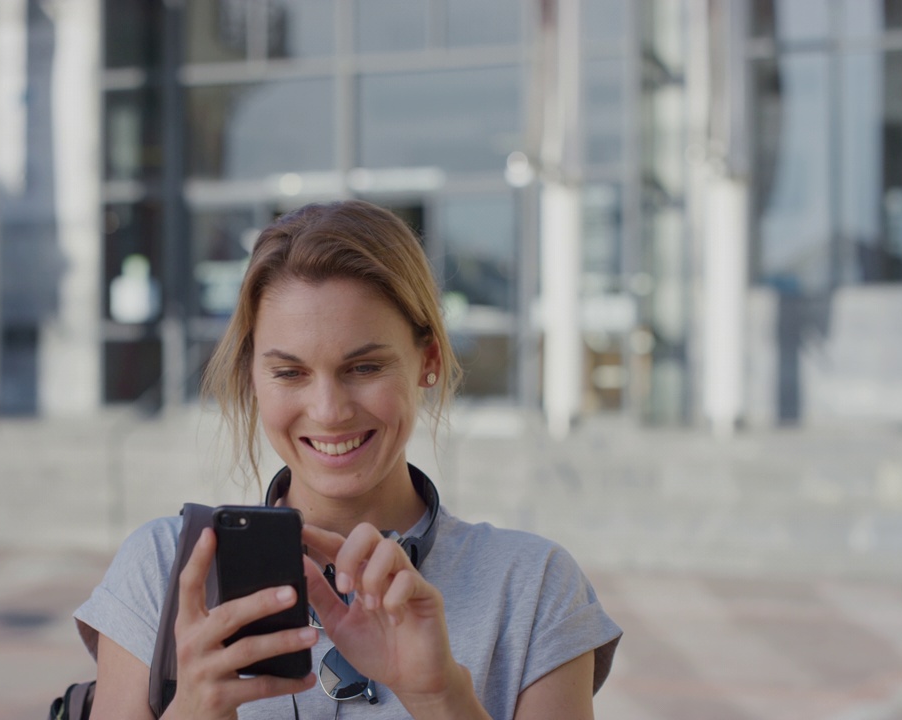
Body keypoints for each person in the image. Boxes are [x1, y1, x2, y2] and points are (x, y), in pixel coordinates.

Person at [74, 200, 622, 719]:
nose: (329, 411)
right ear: (252, 378)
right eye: (289, 373)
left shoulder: (534, 588)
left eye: (364, 368)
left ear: (427, 360)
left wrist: (440, 697)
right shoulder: (163, 568)